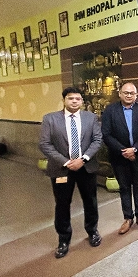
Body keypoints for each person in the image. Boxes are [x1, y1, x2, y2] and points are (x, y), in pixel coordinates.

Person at [38, 87, 103, 258]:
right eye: (70, 98)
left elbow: (97, 140)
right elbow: (44, 144)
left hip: (86, 167)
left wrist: (84, 159)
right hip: (61, 168)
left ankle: (92, 231)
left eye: (78, 99)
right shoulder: (50, 119)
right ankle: (63, 239)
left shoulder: (90, 118)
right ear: (64, 100)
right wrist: (67, 162)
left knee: (90, 201)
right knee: (62, 204)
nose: (74, 101)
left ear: (82, 101)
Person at [101, 83, 138, 235]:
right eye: (126, 92)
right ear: (120, 93)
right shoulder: (110, 110)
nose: (129, 95)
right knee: (124, 187)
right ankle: (128, 218)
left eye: (132, 93)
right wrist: (123, 151)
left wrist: (134, 149)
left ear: (136, 95)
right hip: (119, 156)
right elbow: (106, 134)